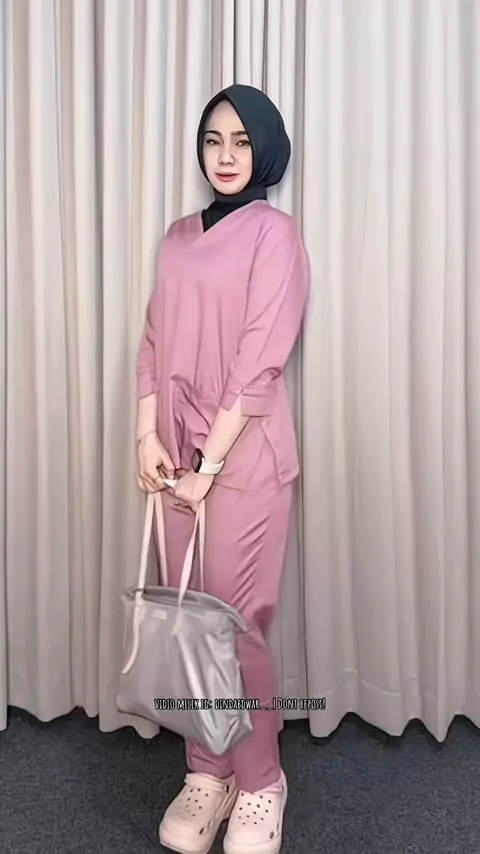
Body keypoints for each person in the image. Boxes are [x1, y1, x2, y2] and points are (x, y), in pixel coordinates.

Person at [136, 84, 310, 854]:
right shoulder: (177, 237)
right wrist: (146, 434)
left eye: (241, 140)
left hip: (243, 458)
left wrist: (210, 461)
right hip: (174, 456)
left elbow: (260, 359)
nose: (226, 155)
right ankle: (208, 770)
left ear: (264, 148)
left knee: (238, 628)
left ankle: (262, 780)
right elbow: (152, 340)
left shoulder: (276, 235)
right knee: (190, 623)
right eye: (213, 140)